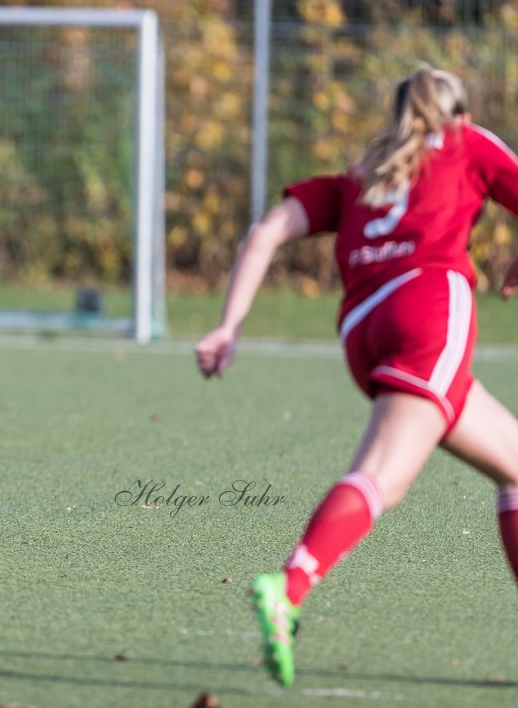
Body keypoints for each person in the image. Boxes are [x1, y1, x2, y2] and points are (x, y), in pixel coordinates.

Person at [195, 67, 518, 687]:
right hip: (429, 309)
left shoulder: (360, 175)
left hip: (364, 328)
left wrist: (228, 326)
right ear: (459, 114)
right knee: (380, 479)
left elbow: (266, 232)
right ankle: (288, 586)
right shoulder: (467, 142)